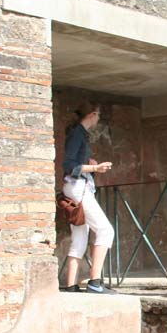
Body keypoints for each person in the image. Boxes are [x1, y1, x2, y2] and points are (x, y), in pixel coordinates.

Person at [61, 102, 116, 294]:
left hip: (76, 187)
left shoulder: (79, 134)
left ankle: (71, 285)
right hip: (78, 188)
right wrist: (95, 168)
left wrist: (90, 165)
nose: (98, 119)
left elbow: (75, 162)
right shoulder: (78, 133)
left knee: (80, 237)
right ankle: (95, 282)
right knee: (106, 230)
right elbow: (69, 165)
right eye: (98, 115)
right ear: (92, 115)